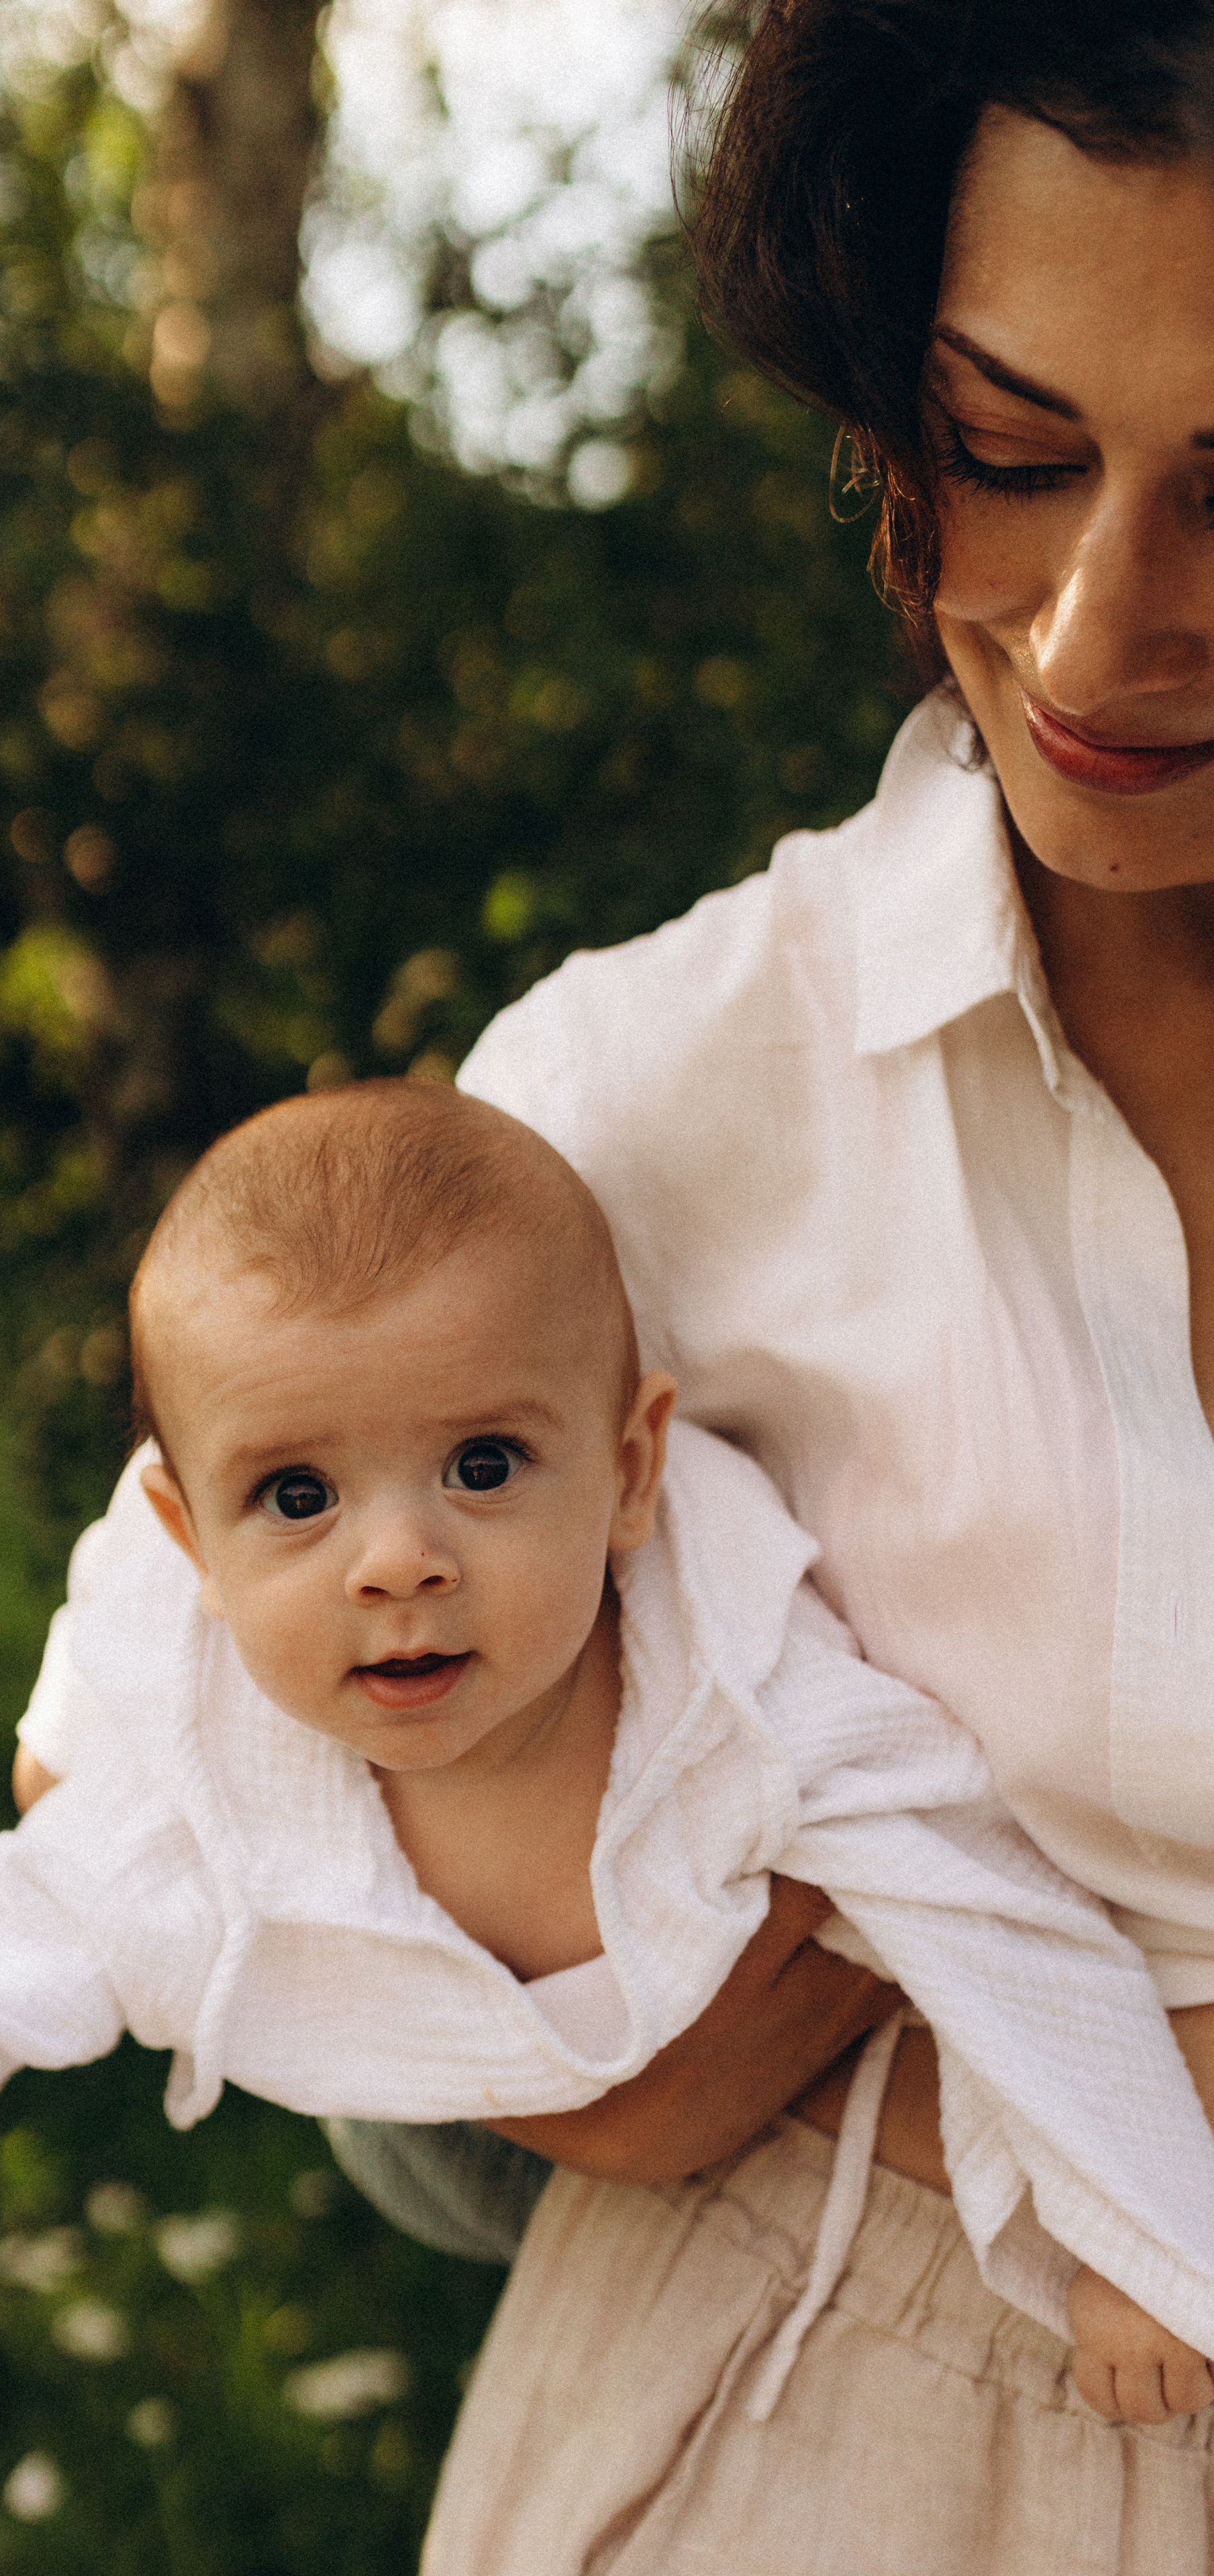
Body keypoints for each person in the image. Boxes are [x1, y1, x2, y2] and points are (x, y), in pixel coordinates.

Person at [394, 3, 1214, 2567]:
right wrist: (575, 2057)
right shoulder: (648, 1093)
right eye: (1012, 455)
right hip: (834, 2431)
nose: (1100, 630)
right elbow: (183, 1772)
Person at [0, 1085, 1214, 2428]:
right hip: (423, 2119)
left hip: (702, 2099)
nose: (398, 1561)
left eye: (482, 1467)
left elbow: (1004, 1932)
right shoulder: (203, 1759)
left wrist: (1137, 2243)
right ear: (188, 1542)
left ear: (628, 1474)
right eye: (296, 1494)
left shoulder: (752, 1706)